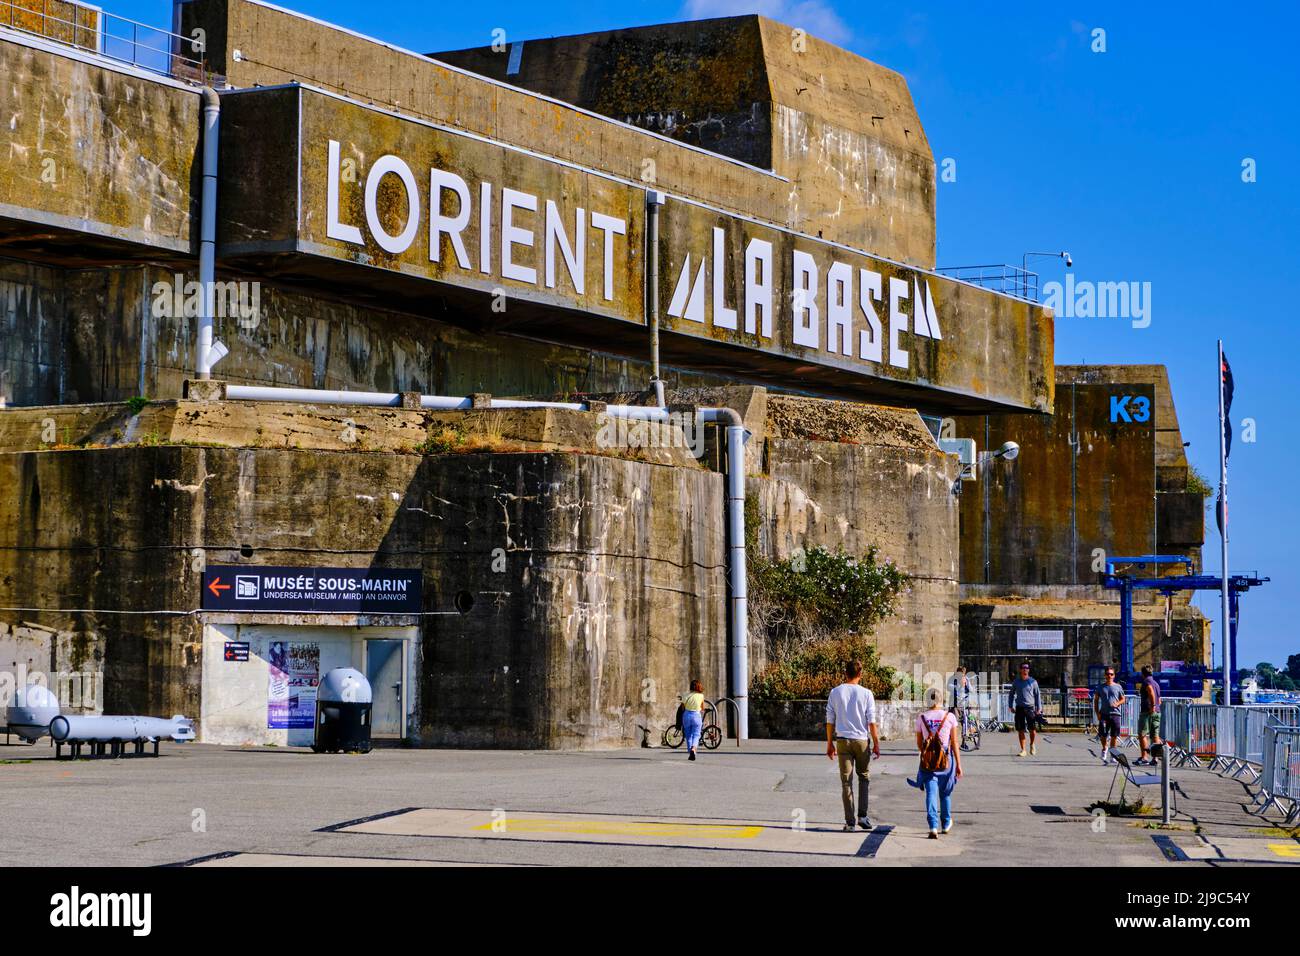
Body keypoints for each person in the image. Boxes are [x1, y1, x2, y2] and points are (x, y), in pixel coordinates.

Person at [826, 659, 880, 831]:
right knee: (864, 777)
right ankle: (862, 817)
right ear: (860, 674)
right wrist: (876, 743)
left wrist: (829, 743)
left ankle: (850, 822)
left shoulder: (835, 692)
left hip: (842, 740)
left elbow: (830, 720)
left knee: (846, 782)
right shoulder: (866, 694)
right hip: (862, 740)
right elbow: (871, 722)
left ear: (845, 673)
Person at [913, 687, 962, 838]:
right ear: (941, 700)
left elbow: (920, 744)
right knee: (945, 793)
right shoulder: (950, 717)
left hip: (928, 762)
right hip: (946, 760)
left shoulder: (921, 718)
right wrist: (959, 764)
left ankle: (933, 826)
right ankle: (946, 823)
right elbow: (954, 742)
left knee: (931, 793)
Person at [1093, 666, 1126, 765]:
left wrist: (1117, 703)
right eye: (1107, 674)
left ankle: (1113, 754)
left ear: (1114, 676)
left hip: (1115, 714)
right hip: (1104, 714)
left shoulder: (1118, 687)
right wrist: (1097, 712)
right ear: (1105, 675)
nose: (1109, 676)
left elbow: (1123, 699)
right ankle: (1104, 748)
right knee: (1103, 734)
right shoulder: (1100, 687)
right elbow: (1096, 700)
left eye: (1111, 674)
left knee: (1114, 736)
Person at [1009, 661, 1042, 757]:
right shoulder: (1016, 682)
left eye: (1027, 668)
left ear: (1028, 670)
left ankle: (1032, 744)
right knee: (1020, 730)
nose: (1025, 669)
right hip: (1019, 708)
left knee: (1032, 730)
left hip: (1030, 708)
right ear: (1020, 670)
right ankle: (1023, 749)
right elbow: (1011, 694)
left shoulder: (1033, 682)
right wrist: (1010, 705)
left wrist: (1038, 708)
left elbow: (1037, 695)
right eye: (1023, 668)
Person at [1135, 665, 1163, 765]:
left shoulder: (1146, 681)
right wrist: (1156, 707)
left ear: (1143, 673)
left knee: (1142, 734)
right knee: (1155, 735)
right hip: (1157, 712)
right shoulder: (1156, 683)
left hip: (1147, 711)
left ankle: (1144, 757)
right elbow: (1159, 699)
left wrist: (1152, 706)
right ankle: (1155, 758)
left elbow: (1150, 691)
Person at [681, 679, 705, 760]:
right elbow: (702, 708)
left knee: (688, 734)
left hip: (687, 715)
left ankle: (690, 751)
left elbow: (682, 707)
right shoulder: (701, 696)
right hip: (696, 716)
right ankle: (693, 749)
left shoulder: (686, 695)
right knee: (696, 734)